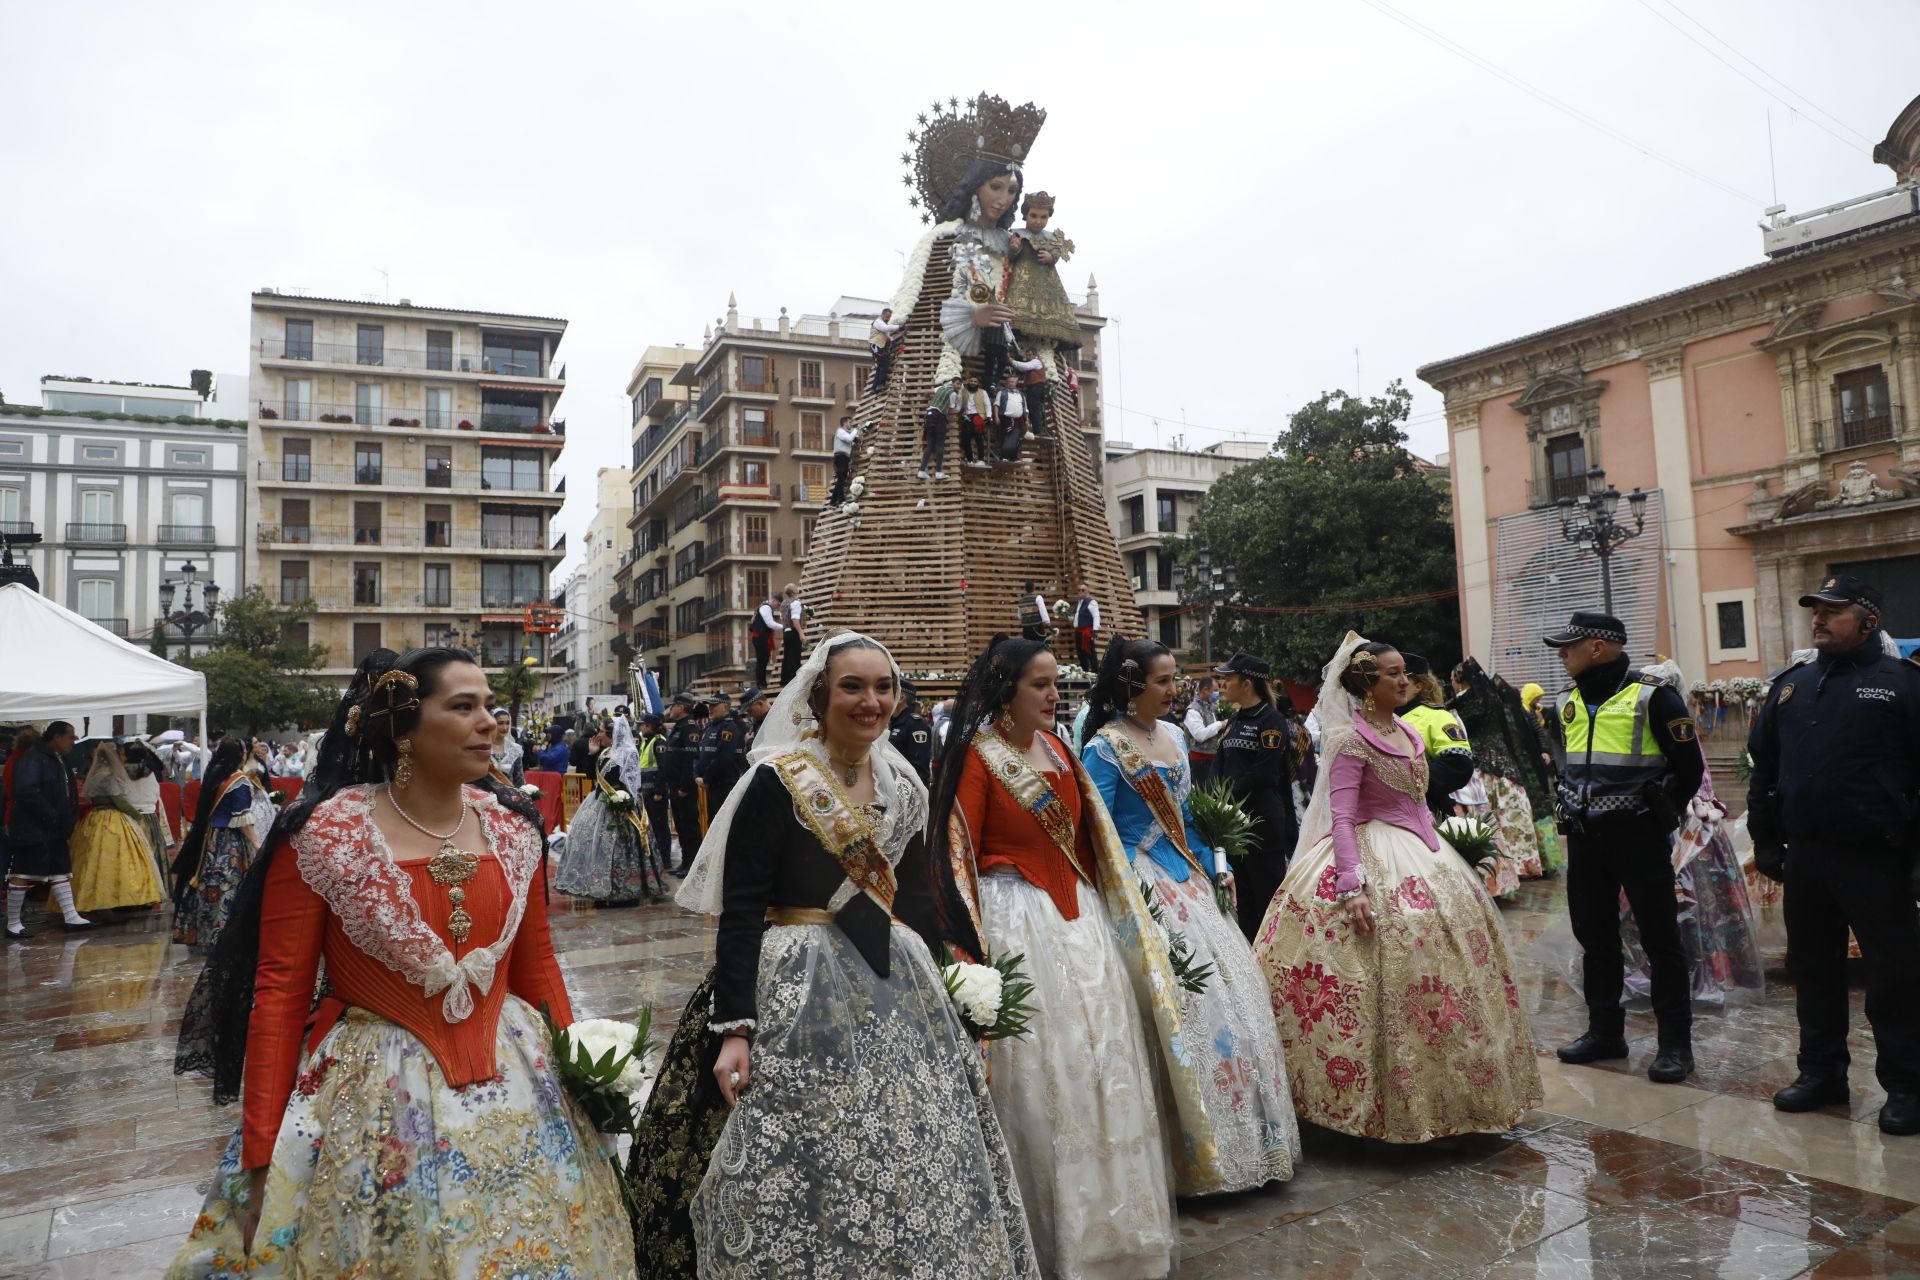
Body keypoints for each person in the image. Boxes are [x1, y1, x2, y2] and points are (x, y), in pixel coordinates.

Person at [166, 648, 635, 1277]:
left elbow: (539, 967)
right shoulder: (325, 835)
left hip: (522, 1078)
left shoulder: (516, 829)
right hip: (372, 1098)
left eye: (490, 706)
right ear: (405, 730)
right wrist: (259, 1161)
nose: (490, 722)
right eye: (463, 706)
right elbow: (278, 996)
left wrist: (590, 1082)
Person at [651, 632, 1039, 1278]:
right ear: (820, 697)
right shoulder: (777, 781)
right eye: (853, 687)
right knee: (807, 1143)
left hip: (895, 981)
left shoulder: (902, 782)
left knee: (897, 1143)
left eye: (883, 687)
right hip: (792, 987)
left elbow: (915, 899)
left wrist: (956, 988)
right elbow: (741, 909)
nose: (871, 701)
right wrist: (735, 1029)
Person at [929, 636, 1177, 1276]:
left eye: (1056, 683)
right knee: (1044, 1074)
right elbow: (956, 858)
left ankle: (1114, 1231)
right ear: (1006, 688)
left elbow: (1094, 848)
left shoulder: (1061, 749)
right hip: (1017, 926)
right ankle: (1043, 1236)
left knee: (1099, 1065)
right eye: (1040, 684)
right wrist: (967, 956)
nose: (1054, 694)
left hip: (1081, 926)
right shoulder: (976, 758)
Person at [1254, 635, 1543, 1141]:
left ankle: (1457, 1094)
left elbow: (1419, 800)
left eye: (1403, 672)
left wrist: (1444, 852)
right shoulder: (1349, 740)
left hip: (1425, 857)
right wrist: (1351, 885)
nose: (1405, 679)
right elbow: (1341, 816)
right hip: (1366, 856)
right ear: (1368, 685)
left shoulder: (1409, 733)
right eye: (1392, 674)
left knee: (1447, 978)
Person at [1080, 636, 1299, 1194]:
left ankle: (1249, 1140)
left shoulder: (1175, 736)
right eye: (1163, 681)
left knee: (1230, 999)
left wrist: (1211, 862)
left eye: (1175, 679)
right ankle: (1192, 1153)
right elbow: (1099, 830)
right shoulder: (1105, 748)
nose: (1175, 690)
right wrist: (1131, 888)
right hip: (1140, 884)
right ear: (1131, 685)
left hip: (1187, 878)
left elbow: (1187, 815)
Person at [1747, 574, 1920, 1134]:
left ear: (1869, 619)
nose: (1818, 619)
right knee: (1814, 972)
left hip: (1879, 859)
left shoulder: (1903, 684)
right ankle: (1821, 1074)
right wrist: (1767, 838)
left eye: (1833, 610)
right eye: (1815, 610)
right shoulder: (1792, 687)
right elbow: (1763, 770)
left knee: (1894, 979)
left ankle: (1908, 1086)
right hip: (1809, 858)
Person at [1543, 610, 1703, 1084]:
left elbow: (1688, 769)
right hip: (1587, 840)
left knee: (1660, 938)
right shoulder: (1566, 701)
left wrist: (1656, 812)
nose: (1562, 653)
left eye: (1569, 646)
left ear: (1597, 647)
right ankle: (1605, 1032)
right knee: (1595, 937)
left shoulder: (1654, 697)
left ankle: (1675, 1044)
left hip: (1638, 836)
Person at [1212, 652, 1302, 941]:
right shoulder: (1235, 720)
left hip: (1262, 823)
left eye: (1227, 679)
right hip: (1235, 825)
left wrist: (1226, 796)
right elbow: (1221, 765)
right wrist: (1213, 799)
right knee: (1245, 903)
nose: (1222, 684)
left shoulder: (1271, 720)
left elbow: (1264, 773)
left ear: (1247, 683)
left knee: (1267, 900)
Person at [1453, 657, 1562, 880]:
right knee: (1513, 817)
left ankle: (1501, 872)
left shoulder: (1466, 702)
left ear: (1459, 679)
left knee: (1495, 821)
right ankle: (1525, 865)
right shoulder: (1501, 698)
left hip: (1483, 769)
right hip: (1511, 769)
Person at [556, 712, 666, 906]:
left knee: (620, 849)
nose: (598, 735)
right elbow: (591, 776)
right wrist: (591, 753)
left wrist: (622, 801)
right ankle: (600, 888)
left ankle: (624, 891)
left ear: (612, 734)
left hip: (621, 806)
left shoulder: (628, 753)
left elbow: (632, 783)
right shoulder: (604, 752)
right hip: (600, 802)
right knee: (599, 848)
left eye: (601, 732)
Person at [171, 738, 265, 953]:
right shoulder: (238, 780)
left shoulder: (214, 775)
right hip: (231, 843)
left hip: (210, 840)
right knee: (230, 886)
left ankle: (205, 932)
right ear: (239, 755)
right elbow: (241, 818)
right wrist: (257, 844)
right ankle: (229, 937)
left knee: (208, 884)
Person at [6, 721, 90, 938]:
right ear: (56, 737)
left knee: (60, 870)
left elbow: (67, 790)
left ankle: (71, 916)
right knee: (23, 872)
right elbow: (26, 790)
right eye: (71, 737)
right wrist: (51, 814)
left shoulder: (59, 758)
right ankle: (13, 922)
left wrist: (66, 818)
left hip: (54, 828)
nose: (74, 741)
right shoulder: (33, 757)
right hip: (33, 827)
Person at [70, 741, 165, 915]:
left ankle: (93, 900)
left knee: (92, 862)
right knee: (116, 861)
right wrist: (137, 817)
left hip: (94, 818)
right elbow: (119, 800)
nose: (124, 758)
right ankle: (114, 901)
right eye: (121, 754)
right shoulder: (109, 776)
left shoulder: (96, 774)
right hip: (111, 819)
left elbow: (89, 798)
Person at [122, 740, 177, 889]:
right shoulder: (150, 772)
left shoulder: (121, 772)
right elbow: (155, 793)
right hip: (149, 816)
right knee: (152, 853)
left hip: (128, 817)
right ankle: (154, 889)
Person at [663, 695, 704, 874]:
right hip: (674, 785)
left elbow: (690, 760)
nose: (671, 709)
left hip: (684, 788)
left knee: (689, 826)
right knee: (680, 825)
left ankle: (692, 864)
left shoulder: (690, 729)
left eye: (673, 706)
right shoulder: (678, 728)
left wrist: (685, 787)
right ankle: (685, 862)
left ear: (681, 707)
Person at [695, 692, 748, 818]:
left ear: (725, 707)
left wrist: (707, 779)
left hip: (723, 785)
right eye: (710, 706)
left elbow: (724, 758)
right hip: (707, 785)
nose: (710, 709)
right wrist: (696, 774)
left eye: (714, 706)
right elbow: (699, 753)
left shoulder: (728, 728)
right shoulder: (709, 728)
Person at [637, 713, 674, 872]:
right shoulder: (648, 742)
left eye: (643, 724)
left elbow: (664, 768)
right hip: (647, 792)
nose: (641, 727)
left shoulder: (659, 742)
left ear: (650, 726)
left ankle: (665, 861)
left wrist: (659, 791)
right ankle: (656, 859)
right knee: (651, 827)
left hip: (656, 793)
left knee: (661, 827)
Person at [1183, 673, 1228, 782]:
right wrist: (1220, 725)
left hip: (1213, 757)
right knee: (1204, 793)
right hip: (1200, 760)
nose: (1217, 693)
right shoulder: (1193, 710)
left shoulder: (1211, 706)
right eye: (1215, 690)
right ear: (1205, 690)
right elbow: (1200, 735)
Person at [920, 375, 961, 481]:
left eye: (960, 384)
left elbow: (927, 392)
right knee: (939, 445)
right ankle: (938, 472)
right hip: (939, 418)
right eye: (958, 384)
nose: (959, 386)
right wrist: (959, 410)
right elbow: (951, 410)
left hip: (929, 416)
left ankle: (921, 471)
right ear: (953, 383)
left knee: (930, 444)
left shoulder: (941, 387)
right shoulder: (953, 393)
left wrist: (930, 399)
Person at [889, 692, 934, 785]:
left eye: (889, 692)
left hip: (907, 789)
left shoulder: (916, 724)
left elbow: (919, 766)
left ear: (901, 698)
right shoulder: (895, 721)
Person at [959, 373, 993, 468]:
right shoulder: (963, 392)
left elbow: (987, 405)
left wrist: (989, 416)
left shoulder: (983, 392)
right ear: (968, 382)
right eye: (971, 381)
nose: (973, 383)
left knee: (979, 439)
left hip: (979, 417)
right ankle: (970, 459)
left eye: (975, 381)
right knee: (965, 440)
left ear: (978, 383)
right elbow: (960, 404)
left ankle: (981, 460)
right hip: (967, 417)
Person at [994, 372, 1029, 462]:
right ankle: (1004, 457)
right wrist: (996, 417)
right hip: (1005, 418)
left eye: (1012, 382)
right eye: (1009, 382)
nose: (1010, 383)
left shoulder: (1021, 394)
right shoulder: (1001, 393)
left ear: (1016, 383)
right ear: (1006, 383)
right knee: (1005, 437)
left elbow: (1025, 408)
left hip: (1017, 420)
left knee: (1016, 438)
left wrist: (1026, 420)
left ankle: (1013, 457)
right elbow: (996, 405)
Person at [869, 306, 904, 393]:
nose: (888, 319)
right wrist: (899, 327)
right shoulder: (878, 322)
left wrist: (893, 341)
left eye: (889, 317)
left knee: (880, 366)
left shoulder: (882, 323)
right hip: (876, 346)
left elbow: (887, 336)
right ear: (883, 314)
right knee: (885, 362)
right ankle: (881, 383)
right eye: (887, 317)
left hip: (879, 346)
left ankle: (874, 388)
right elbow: (886, 328)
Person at [829, 415, 860, 505]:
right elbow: (850, 439)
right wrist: (855, 431)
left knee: (841, 479)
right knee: (841, 478)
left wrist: (856, 436)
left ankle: (833, 501)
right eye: (849, 422)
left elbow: (854, 440)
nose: (851, 425)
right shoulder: (840, 431)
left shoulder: (846, 432)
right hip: (840, 457)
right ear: (844, 423)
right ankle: (841, 500)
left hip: (844, 457)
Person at [750, 595, 780, 687]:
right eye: (778, 604)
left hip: (761, 637)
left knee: (764, 659)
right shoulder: (766, 607)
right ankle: (761, 683)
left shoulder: (764, 607)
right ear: (774, 601)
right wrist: (784, 627)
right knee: (761, 660)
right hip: (760, 637)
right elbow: (770, 623)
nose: (777, 607)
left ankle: (762, 682)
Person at [491, 709, 525, 786]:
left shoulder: (515, 749)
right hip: (486, 796)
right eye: (500, 723)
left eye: (507, 723)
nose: (505, 727)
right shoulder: (483, 747)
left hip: (509, 795)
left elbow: (519, 780)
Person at [780, 583, 805, 685]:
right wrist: (801, 633)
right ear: (794, 591)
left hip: (786, 632)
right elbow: (795, 620)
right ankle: (793, 681)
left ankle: (784, 680)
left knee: (786, 656)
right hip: (794, 632)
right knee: (794, 657)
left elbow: (782, 618)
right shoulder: (796, 603)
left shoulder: (784, 603)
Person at [1071, 584, 1099, 671]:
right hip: (1078, 632)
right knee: (1080, 653)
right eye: (1078, 590)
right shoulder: (1078, 603)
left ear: (1088, 592)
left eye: (1083, 590)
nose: (1080, 592)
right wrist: (1065, 616)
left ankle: (1095, 672)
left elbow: (1096, 616)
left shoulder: (1091, 602)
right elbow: (1076, 617)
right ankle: (1085, 671)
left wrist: (1095, 630)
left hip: (1086, 631)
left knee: (1090, 652)